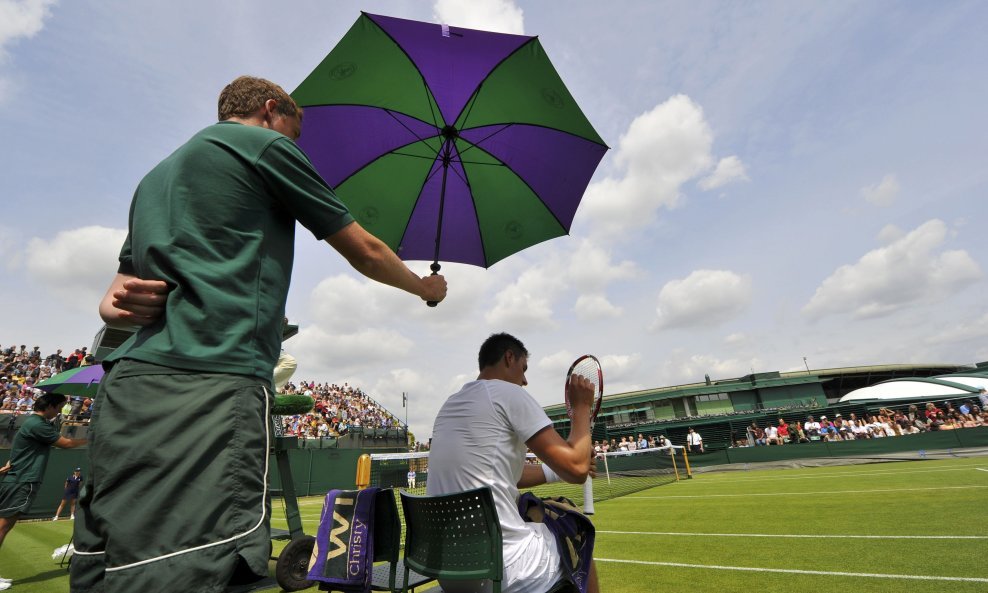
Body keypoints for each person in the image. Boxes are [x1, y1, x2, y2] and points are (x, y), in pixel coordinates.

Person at [71, 76, 448, 593]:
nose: (293, 145)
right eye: (294, 133)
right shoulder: (261, 144)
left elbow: (113, 298)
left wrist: (117, 306)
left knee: (114, 565)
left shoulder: (156, 176)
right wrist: (424, 287)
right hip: (207, 381)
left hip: (128, 384)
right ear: (272, 110)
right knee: (195, 563)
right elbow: (366, 250)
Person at [427, 333, 599, 593]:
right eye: (524, 368)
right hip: (500, 567)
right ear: (509, 358)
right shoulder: (507, 392)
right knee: (578, 530)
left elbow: (507, 474)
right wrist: (582, 407)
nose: (525, 380)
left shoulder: (450, 404)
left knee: (536, 508)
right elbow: (576, 468)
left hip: (448, 569)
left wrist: (556, 472)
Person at [0, 393, 88, 591]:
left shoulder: (37, 423)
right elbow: (65, 443)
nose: (59, 412)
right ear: (49, 406)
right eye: (58, 408)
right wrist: (92, 440)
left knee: (4, 527)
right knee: (2, 527)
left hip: (19, 480)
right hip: (22, 481)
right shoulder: (37, 424)